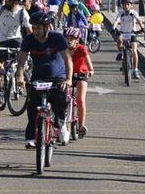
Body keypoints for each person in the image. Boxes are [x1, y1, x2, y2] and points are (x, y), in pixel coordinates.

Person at [17, 11, 73, 147]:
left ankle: (61, 125)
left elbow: (68, 59)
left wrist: (68, 79)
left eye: (38, 28)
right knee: (32, 107)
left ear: (46, 27)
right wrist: (20, 76)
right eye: (33, 28)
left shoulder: (57, 38)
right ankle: (30, 137)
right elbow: (21, 61)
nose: (35, 31)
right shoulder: (28, 40)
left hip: (57, 77)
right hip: (38, 77)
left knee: (59, 99)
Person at [64, 27, 93, 137]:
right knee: (61, 98)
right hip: (67, 76)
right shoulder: (63, 49)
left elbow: (89, 64)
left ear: (77, 40)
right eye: (67, 38)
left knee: (80, 99)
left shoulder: (82, 49)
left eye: (71, 38)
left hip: (81, 75)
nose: (69, 41)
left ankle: (81, 126)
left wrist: (90, 70)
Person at [115, 0, 143, 79]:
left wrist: (142, 28)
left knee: (134, 50)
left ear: (131, 5)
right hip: (123, 33)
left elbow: (138, 20)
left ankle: (135, 70)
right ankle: (120, 52)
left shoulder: (133, 13)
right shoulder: (120, 13)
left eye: (128, 4)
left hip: (132, 33)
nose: (126, 6)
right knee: (119, 40)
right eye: (124, 4)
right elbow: (117, 21)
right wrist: (114, 28)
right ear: (122, 5)